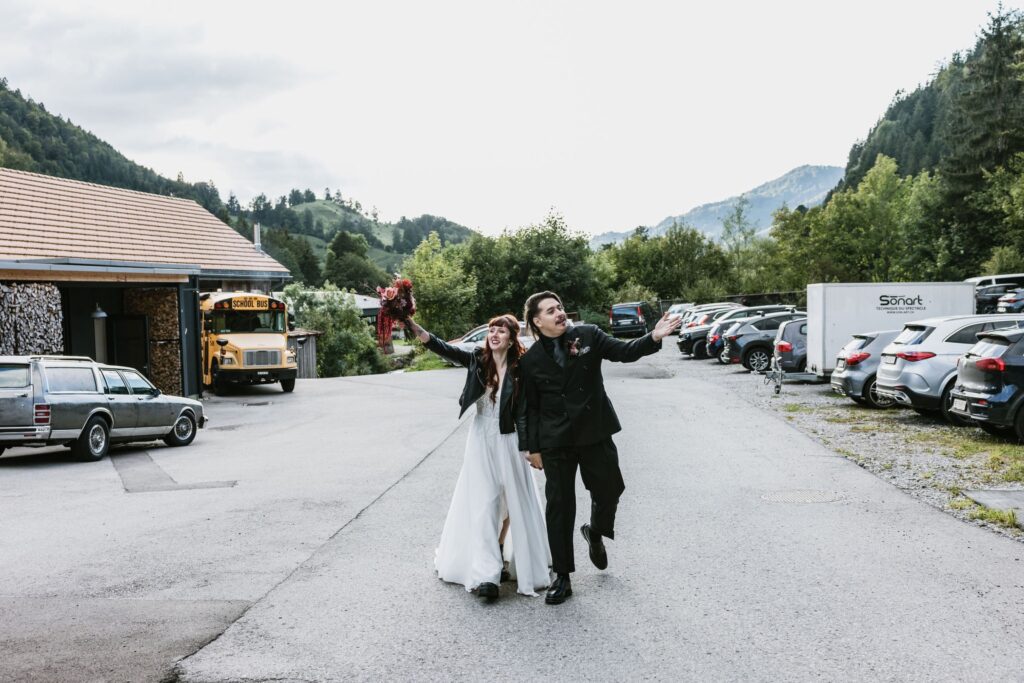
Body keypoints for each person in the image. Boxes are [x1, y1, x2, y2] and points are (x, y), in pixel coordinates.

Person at [519, 292, 681, 605]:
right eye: (551, 311)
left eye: (561, 307)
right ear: (537, 321)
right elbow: (529, 408)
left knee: (610, 489)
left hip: (594, 431)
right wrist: (531, 447)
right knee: (560, 507)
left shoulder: (588, 335)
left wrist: (653, 336)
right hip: (556, 441)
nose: (560, 313)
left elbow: (625, 351)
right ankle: (562, 577)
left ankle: (594, 531)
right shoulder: (530, 361)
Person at [404, 314, 551, 601]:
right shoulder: (476, 359)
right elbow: (442, 347)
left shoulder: (522, 367)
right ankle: (488, 576)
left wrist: (532, 445)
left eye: (501, 331)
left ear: (512, 337)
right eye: (491, 330)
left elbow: (531, 407)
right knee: (485, 502)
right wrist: (412, 325)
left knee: (513, 501)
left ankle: (501, 548)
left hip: (511, 439)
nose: (494, 334)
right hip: (481, 439)